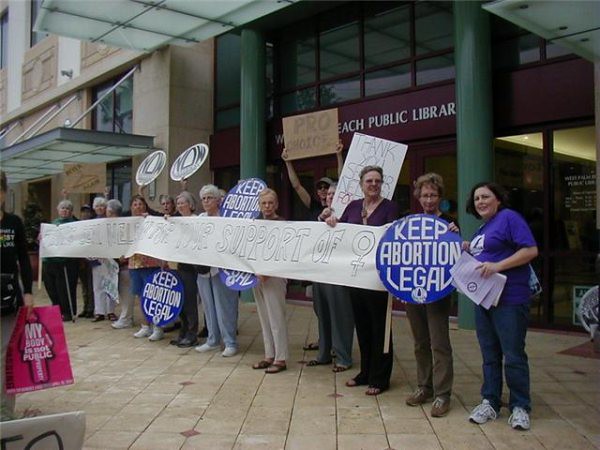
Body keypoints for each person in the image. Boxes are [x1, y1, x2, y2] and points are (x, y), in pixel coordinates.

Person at [465, 182, 538, 431]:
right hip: (484, 299)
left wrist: (498, 266)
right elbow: (484, 255)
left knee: (514, 354)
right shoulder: (482, 229)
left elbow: (530, 250)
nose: (481, 202)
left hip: (510, 299)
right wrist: (468, 249)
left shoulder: (509, 218)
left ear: (498, 199)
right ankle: (490, 401)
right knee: (489, 354)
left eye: (486, 196)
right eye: (476, 199)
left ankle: (520, 406)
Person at [326, 165, 399, 395]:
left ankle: (380, 377)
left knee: (380, 327)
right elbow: (342, 229)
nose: (374, 185)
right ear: (361, 184)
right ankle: (365, 372)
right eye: (369, 181)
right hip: (356, 277)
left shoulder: (390, 207)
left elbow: (394, 236)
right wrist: (331, 222)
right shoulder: (354, 206)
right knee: (363, 326)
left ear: (382, 183)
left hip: (378, 278)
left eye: (377, 181)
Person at [282, 140, 343, 351]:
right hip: (315, 265)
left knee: (335, 308)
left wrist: (338, 155)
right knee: (319, 307)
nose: (323, 191)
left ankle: (336, 343)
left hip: (334, 266)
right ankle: (324, 341)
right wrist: (288, 162)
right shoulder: (313, 205)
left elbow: (344, 180)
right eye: (320, 188)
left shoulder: (342, 208)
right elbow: (296, 185)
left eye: (327, 187)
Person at [404, 173, 457, 417]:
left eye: (433, 195)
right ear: (418, 197)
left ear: (440, 197)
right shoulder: (410, 223)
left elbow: (458, 258)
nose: (428, 199)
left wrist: (455, 236)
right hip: (414, 293)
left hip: (437, 293)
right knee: (420, 343)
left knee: (439, 344)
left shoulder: (449, 224)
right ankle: (424, 387)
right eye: (424, 195)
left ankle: (442, 394)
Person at [307, 182, 354, 372]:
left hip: (339, 276)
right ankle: (324, 353)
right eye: (328, 195)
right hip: (319, 274)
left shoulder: (348, 217)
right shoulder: (319, 217)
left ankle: (343, 357)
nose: (330, 197)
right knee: (322, 314)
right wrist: (321, 220)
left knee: (340, 316)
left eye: (335, 194)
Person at [0, 171, 34, 420]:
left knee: (3, 354)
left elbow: (23, 258)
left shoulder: (14, 223)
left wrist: (29, 292)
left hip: (9, 297)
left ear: (3, 193)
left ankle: (4, 412)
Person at [194, 185, 239, 357]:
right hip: (204, 270)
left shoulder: (227, 218)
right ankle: (212, 340)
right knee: (208, 306)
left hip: (223, 269)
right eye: (204, 198)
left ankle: (230, 342)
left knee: (225, 306)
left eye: (210, 198)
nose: (206, 201)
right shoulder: (200, 218)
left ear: (218, 200)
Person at [251, 188, 289, 373]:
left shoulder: (282, 224)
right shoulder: (255, 223)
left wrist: (269, 271)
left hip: (274, 276)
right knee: (264, 318)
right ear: (259, 205)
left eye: (270, 203)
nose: (267, 206)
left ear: (276, 204)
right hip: (257, 276)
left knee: (276, 318)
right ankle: (269, 355)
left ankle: (280, 358)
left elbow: (284, 252)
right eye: (264, 203)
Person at [129, 195, 165, 341]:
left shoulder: (152, 220)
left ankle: (158, 326)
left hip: (151, 263)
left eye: (140, 204)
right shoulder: (128, 223)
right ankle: (145, 326)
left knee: (153, 295)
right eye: (135, 204)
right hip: (134, 264)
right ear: (131, 207)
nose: (138, 206)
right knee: (140, 295)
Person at [168, 191, 200, 348]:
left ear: (190, 204)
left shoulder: (197, 221)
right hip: (178, 265)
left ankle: (192, 334)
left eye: (183, 203)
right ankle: (183, 331)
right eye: (178, 203)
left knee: (189, 301)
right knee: (180, 300)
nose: (180, 206)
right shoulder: (176, 221)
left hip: (191, 266)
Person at [42, 199, 78, 320]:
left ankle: (66, 312)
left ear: (71, 212)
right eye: (63, 208)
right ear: (58, 210)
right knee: (51, 288)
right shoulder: (52, 223)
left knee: (63, 289)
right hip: (49, 260)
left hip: (63, 262)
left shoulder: (73, 224)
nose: (65, 211)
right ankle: (56, 310)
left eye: (68, 209)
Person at [89, 196, 119, 322]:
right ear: (94, 208)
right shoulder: (90, 223)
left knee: (111, 284)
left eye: (102, 206)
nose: (100, 208)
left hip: (109, 258)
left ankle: (111, 311)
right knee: (97, 286)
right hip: (96, 259)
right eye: (97, 206)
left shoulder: (111, 221)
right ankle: (99, 311)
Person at [77, 204, 95, 318]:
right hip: (81, 260)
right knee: (84, 286)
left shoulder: (94, 224)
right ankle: (85, 307)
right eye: (83, 212)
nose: (85, 214)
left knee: (90, 285)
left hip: (92, 260)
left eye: (87, 212)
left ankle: (91, 308)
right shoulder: (77, 225)